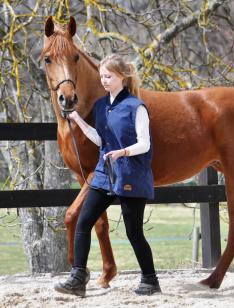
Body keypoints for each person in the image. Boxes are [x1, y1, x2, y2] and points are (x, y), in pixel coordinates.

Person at [54, 54, 160, 297]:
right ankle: (78, 278)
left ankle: (150, 280)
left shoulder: (136, 107)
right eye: (102, 75)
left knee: (134, 233)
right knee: (83, 222)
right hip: (105, 174)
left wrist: (122, 152)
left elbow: (144, 144)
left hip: (131, 174)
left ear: (122, 77)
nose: (103, 80)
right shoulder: (102, 106)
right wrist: (78, 120)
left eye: (108, 76)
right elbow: (101, 140)